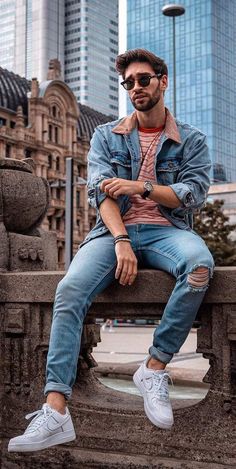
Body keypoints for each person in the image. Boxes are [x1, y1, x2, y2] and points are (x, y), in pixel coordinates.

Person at [8, 48, 214, 452]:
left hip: (168, 230)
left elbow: (192, 196)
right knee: (69, 291)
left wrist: (143, 187)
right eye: (129, 83)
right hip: (111, 233)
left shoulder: (192, 140)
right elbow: (99, 192)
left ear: (162, 81)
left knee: (200, 267)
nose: (135, 87)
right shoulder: (106, 135)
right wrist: (121, 240)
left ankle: (153, 368)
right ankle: (55, 412)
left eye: (143, 79)